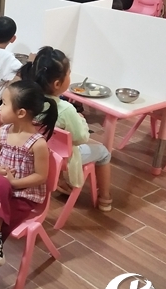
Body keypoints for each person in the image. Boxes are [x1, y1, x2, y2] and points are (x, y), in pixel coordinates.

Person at [0, 80, 58, 277]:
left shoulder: (38, 144)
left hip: (24, 195)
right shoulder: (2, 132)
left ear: (21, 113)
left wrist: (14, 182)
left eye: (4, 103)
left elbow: (41, 177)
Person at [20, 47, 113, 212]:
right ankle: (105, 198)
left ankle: (60, 180)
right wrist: (82, 121)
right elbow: (81, 138)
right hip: (59, 159)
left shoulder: (26, 98)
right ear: (57, 83)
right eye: (69, 74)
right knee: (103, 152)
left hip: (31, 152)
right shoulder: (65, 109)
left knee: (56, 142)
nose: (70, 77)